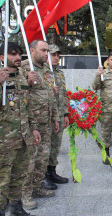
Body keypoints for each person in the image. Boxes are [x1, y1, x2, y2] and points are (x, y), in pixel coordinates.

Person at [0, 42, 41, 216]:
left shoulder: (22, 78)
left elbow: (28, 106)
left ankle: (16, 207)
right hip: (3, 140)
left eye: (19, 54)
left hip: (23, 137)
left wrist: (33, 129)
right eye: (12, 54)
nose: (18, 58)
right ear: (2, 57)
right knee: (1, 179)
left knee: (19, 176)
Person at [21, 40, 60, 208]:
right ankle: (25, 195)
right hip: (32, 124)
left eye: (47, 51)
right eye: (43, 50)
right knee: (30, 161)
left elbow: (51, 95)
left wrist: (56, 118)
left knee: (42, 159)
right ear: (32, 50)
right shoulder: (24, 68)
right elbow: (14, 94)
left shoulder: (47, 70)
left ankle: (37, 187)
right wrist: (26, 83)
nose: (46, 54)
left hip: (47, 123)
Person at [44, 44, 69, 185]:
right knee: (46, 147)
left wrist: (65, 114)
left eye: (58, 56)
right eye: (53, 55)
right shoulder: (43, 72)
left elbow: (63, 95)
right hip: (47, 116)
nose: (56, 58)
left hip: (59, 115)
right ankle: (43, 176)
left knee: (55, 146)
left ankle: (52, 172)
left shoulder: (59, 73)